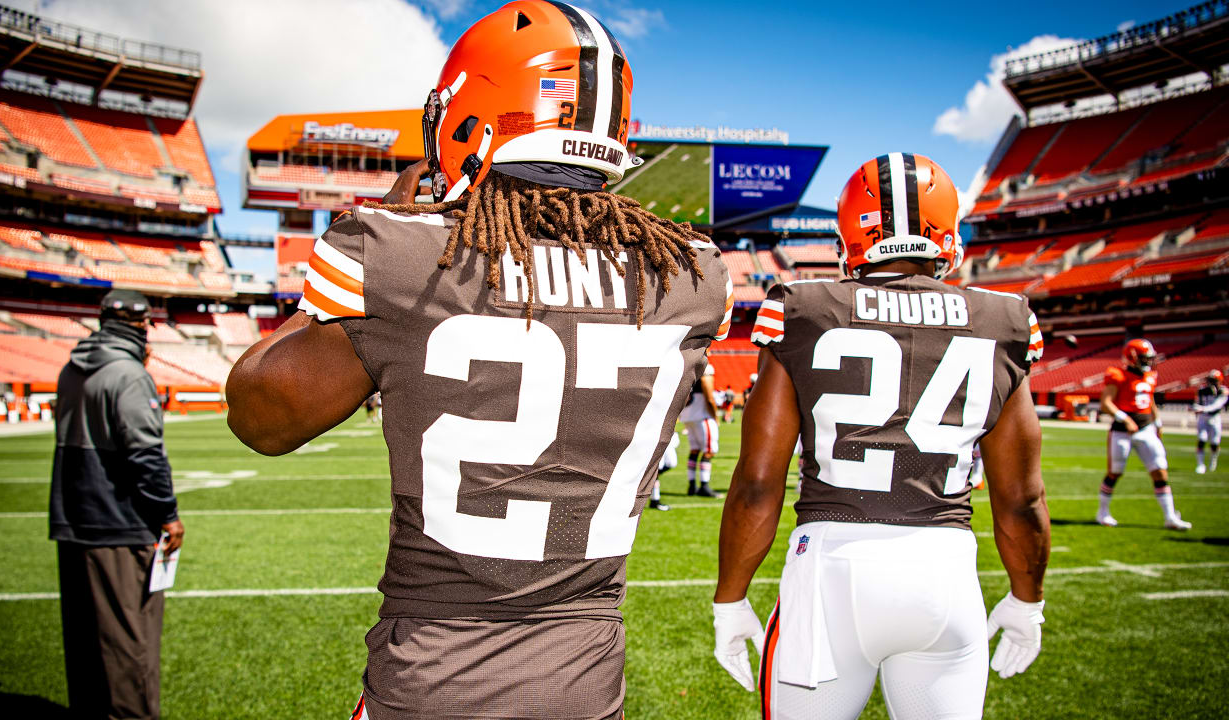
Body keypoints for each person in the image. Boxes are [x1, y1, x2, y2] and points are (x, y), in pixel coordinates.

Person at [224, 3, 732, 717]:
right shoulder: (692, 276)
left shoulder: (399, 254)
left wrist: (359, 260)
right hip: (585, 682)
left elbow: (261, 420)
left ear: (470, 118)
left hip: (434, 676)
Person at [712, 153, 1051, 720]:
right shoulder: (1004, 320)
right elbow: (1021, 499)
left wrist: (730, 599)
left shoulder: (805, 308)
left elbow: (757, 483)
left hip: (831, 572)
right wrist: (1027, 600)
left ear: (849, 238)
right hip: (944, 572)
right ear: (949, 239)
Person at [49, 289, 184, 720]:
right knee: (130, 645)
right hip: (121, 524)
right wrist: (167, 514)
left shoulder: (70, 369)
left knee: (85, 642)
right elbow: (144, 454)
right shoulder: (129, 375)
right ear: (141, 324)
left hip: (73, 520)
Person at [1096, 338, 1192, 530]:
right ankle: (1103, 512)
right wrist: (1125, 419)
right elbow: (1106, 403)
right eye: (1144, 357)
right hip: (1122, 430)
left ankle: (1170, 516)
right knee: (1115, 472)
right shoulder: (1118, 375)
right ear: (1131, 357)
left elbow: (1150, 401)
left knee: (1159, 470)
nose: (1148, 361)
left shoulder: (1149, 376)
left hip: (1146, 427)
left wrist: (1158, 422)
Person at [680, 358, 722, 497]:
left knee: (695, 450)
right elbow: (709, 396)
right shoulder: (706, 370)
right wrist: (715, 415)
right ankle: (704, 486)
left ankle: (691, 485)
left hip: (688, 415)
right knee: (709, 451)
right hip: (702, 416)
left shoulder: (689, 367)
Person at [1193, 369, 1226, 473]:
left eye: (1213, 380)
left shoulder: (1223, 391)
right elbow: (1198, 402)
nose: (1211, 382)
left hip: (1215, 418)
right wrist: (1196, 408)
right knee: (1202, 440)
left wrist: (1201, 408)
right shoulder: (1202, 390)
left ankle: (1213, 461)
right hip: (1203, 418)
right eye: (1210, 380)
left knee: (1214, 443)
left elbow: (1216, 406)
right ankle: (1200, 465)